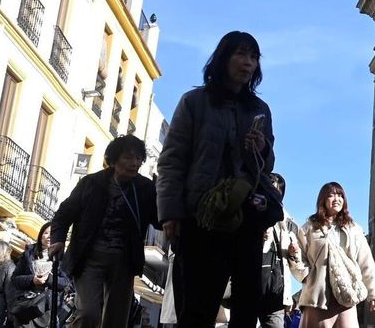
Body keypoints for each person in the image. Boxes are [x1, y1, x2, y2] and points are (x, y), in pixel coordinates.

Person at [158, 31, 283, 328]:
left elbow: (267, 167)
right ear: (224, 58)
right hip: (201, 216)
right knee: (198, 305)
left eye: (254, 57)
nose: (248, 63)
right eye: (241, 54)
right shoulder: (194, 102)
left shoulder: (259, 109)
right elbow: (172, 160)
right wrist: (171, 213)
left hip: (247, 216)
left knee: (246, 306)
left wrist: (261, 148)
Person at [52, 134, 159, 328]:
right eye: (128, 157)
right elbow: (65, 213)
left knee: (116, 322)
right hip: (89, 258)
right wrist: (58, 239)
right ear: (115, 158)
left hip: (124, 262)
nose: (134, 163)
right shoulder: (91, 183)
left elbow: (159, 219)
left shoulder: (145, 188)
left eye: (138, 158)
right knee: (88, 313)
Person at [291, 183, 375, 328]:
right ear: (323, 200)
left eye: (340, 195)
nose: (336, 199)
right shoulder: (309, 228)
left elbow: (366, 262)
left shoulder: (353, 229)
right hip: (318, 296)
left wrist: (373, 292)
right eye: (331, 195)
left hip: (346, 294)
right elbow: (297, 257)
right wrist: (307, 276)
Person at [261, 174, 302, 328]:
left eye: (277, 190)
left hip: (275, 294)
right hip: (248, 286)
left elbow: (299, 270)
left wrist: (294, 254)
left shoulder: (290, 224)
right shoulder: (250, 212)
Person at [10, 223, 71, 328]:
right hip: (26, 306)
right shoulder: (28, 253)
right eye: (46, 233)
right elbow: (15, 279)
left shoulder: (61, 257)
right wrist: (32, 280)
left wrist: (49, 279)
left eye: (52, 234)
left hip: (46, 310)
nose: (49, 236)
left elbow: (66, 282)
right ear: (40, 235)